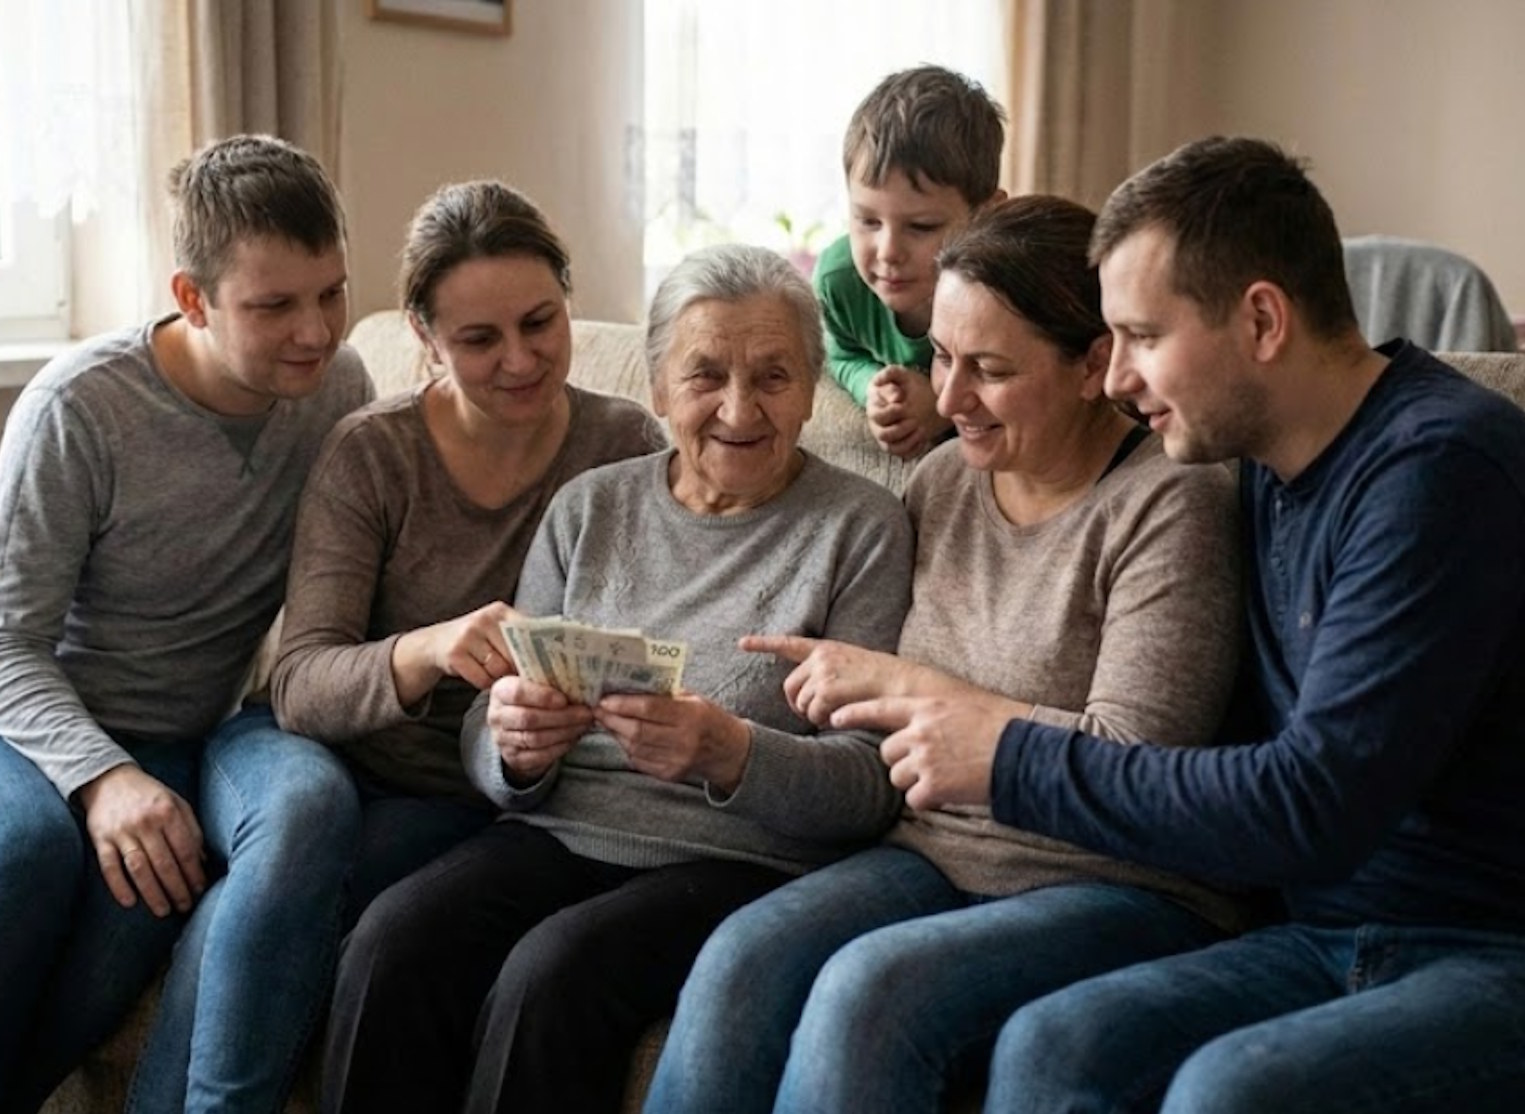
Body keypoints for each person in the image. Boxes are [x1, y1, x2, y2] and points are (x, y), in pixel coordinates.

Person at [837, 138, 1525, 1114]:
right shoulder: (1253, 470)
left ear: (1259, 319)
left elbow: (1311, 803)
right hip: (1321, 937)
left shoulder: (1438, 470)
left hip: (1483, 947)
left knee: (1227, 1090)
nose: (1112, 375)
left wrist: (1007, 753)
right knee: (1053, 1044)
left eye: (1140, 336)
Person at [644, 196, 1249, 1114]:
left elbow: (1139, 765)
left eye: (990, 370)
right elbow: (871, 739)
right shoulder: (941, 482)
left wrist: (914, 690)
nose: (950, 397)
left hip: (1112, 881)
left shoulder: (1170, 505)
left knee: (871, 992)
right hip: (927, 853)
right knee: (740, 955)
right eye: (940, 355)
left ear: (1093, 365)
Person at [320, 243, 915, 1114]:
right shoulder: (590, 508)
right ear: (659, 388)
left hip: (734, 859)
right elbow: (489, 727)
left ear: (814, 385)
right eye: (705, 375)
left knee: (551, 974)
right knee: (392, 941)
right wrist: (513, 748)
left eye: (774, 376)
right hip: (558, 832)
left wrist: (732, 754)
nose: (739, 409)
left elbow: (869, 786)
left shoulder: (861, 528)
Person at [0, 135, 372, 1114]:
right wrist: (99, 775)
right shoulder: (81, 409)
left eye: (330, 293)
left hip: (183, 736)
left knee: (142, 898)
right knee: (27, 851)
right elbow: (5, 639)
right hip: (40, 729)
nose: (316, 331)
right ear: (194, 297)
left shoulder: (339, 391)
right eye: (274, 305)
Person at [270, 181, 664, 916]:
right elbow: (299, 685)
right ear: (425, 339)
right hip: (398, 787)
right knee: (298, 893)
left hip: (557, 798)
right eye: (479, 340)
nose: (520, 361)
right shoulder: (374, 454)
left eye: (539, 322)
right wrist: (431, 648)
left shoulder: (625, 445)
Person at [815, 64, 1005, 459]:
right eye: (867, 220)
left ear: (986, 216)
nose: (887, 251)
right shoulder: (839, 280)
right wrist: (873, 388)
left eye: (920, 226)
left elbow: (1038, 392)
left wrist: (942, 404)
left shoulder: (1005, 295)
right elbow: (842, 352)